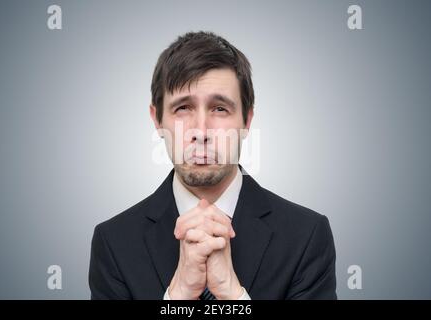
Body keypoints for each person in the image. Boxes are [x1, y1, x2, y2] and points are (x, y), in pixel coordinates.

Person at [89, 31, 337, 300]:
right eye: (183, 108)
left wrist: (233, 296)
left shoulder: (306, 237)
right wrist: (179, 297)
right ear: (157, 120)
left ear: (247, 120)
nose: (201, 131)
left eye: (220, 108)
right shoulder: (114, 243)